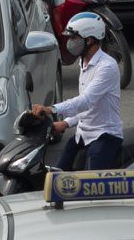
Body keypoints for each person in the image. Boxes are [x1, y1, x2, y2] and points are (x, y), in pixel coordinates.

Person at [30, 14, 123, 170]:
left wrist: (51, 109)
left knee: (91, 182)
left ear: (89, 40)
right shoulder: (84, 62)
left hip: (105, 135)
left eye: (74, 37)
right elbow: (85, 107)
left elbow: (85, 101)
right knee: (58, 174)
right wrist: (66, 123)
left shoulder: (107, 67)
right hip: (83, 134)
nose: (70, 42)